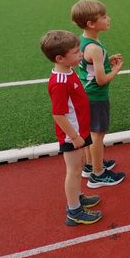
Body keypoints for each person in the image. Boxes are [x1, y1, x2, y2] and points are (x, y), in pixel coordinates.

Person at [40, 30, 102, 226]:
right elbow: (58, 114)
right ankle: (74, 210)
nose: (81, 55)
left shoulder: (68, 70)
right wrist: (74, 137)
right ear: (60, 58)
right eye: (76, 52)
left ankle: (78, 196)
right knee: (74, 171)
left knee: (81, 163)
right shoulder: (59, 82)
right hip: (72, 135)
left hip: (80, 130)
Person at [71, 0, 126, 188]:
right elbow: (101, 79)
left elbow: (89, 67)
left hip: (85, 95)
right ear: (91, 24)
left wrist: (105, 62)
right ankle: (98, 174)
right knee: (98, 134)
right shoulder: (95, 48)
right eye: (103, 16)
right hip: (96, 96)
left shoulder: (83, 41)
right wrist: (116, 69)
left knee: (89, 132)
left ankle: (90, 165)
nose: (108, 18)